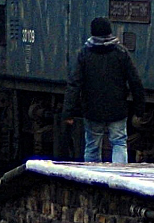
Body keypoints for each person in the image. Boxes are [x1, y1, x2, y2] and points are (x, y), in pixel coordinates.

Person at [62, 16, 146, 163]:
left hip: (92, 109)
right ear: (109, 31)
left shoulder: (84, 54)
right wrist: (140, 108)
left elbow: (74, 84)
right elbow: (135, 82)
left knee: (92, 145)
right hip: (117, 108)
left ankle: (92, 179)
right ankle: (119, 177)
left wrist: (68, 112)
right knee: (119, 143)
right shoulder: (121, 53)